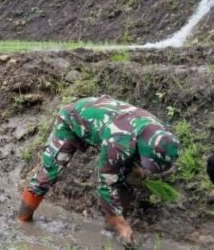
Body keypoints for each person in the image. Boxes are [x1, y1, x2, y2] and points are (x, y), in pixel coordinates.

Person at [18, 96, 180, 246]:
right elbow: (105, 185)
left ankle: (111, 224)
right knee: (49, 174)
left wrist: (139, 167)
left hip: (109, 123)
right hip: (71, 120)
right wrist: (121, 225)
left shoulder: (161, 133)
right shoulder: (119, 142)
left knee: (123, 179)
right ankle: (22, 223)